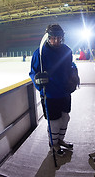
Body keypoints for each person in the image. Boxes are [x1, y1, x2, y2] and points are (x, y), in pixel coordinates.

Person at [29, 24, 74, 156]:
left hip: (65, 92)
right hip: (50, 94)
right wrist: (37, 80)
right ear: (48, 38)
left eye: (59, 38)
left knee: (65, 118)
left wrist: (74, 74)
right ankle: (53, 144)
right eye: (53, 38)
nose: (56, 41)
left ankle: (60, 140)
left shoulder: (67, 51)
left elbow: (69, 67)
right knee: (54, 122)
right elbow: (33, 72)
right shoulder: (40, 52)